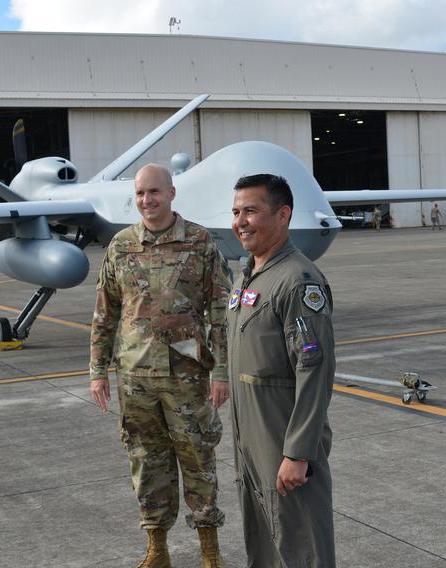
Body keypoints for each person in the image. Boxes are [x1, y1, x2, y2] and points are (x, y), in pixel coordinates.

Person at [90, 163, 231, 568]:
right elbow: (105, 314)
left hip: (188, 374)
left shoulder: (200, 243)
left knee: (198, 458)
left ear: (171, 193)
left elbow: (220, 310)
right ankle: (157, 548)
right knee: (145, 460)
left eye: (154, 192)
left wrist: (219, 371)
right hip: (135, 378)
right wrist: (97, 369)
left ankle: (210, 550)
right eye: (139, 194)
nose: (146, 201)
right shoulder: (120, 246)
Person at [227, 173, 336, 567]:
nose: (240, 221)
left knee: (300, 544)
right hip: (251, 438)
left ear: (283, 215)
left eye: (252, 211)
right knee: (264, 542)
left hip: (283, 440)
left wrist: (298, 451)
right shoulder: (251, 276)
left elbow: (315, 367)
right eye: (237, 211)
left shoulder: (296, 280)